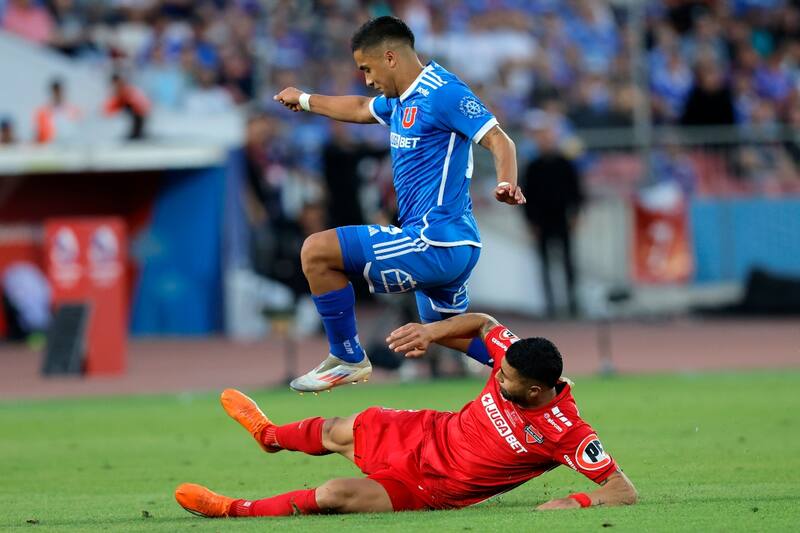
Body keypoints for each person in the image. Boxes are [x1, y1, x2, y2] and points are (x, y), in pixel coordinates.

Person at [174, 312, 638, 518]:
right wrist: (431, 332)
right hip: (429, 431)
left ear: (537, 390)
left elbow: (623, 491)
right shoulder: (513, 361)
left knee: (335, 494)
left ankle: (231, 510)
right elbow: (484, 324)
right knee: (341, 428)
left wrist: (575, 502)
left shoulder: (566, 431)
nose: (496, 377)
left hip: (433, 486)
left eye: (507, 379)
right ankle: (269, 435)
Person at [272, 16, 525, 392]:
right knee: (450, 332)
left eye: (367, 68)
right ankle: (535, 369)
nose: (368, 79)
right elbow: (360, 108)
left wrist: (507, 181)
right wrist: (306, 100)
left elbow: (499, 139)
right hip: (451, 244)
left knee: (316, 251)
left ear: (390, 58)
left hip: (434, 240)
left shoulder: (443, 92)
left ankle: (347, 357)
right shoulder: (401, 101)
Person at [522, 115, 584, 317]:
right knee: (545, 266)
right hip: (541, 222)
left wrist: (575, 214)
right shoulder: (532, 167)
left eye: (549, 136)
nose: (546, 140)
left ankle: (573, 304)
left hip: (562, 219)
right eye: (542, 137)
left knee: (568, 264)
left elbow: (577, 192)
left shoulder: (565, 164)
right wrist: (530, 222)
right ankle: (550, 307)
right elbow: (525, 197)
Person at [33, 78, 82, 144]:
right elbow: (39, 135)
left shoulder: (74, 111)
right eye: (55, 92)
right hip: (51, 147)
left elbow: (80, 131)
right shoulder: (43, 113)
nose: (57, 94)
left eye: (59, 92)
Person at [104, 72, 151, 140]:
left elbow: (124, 102)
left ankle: (137, 135)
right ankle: (136, 134)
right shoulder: (124, 89)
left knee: (137, 127)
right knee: (136, 128)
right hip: (139, 110)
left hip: (139, 110)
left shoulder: (125, 90)